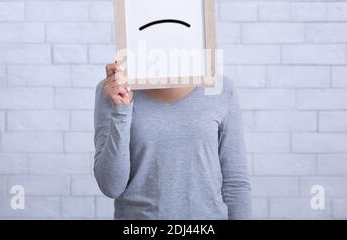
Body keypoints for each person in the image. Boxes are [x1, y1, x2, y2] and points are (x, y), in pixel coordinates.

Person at [93, 62, 251, 220]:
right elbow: (111, 187)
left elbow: (235, 183)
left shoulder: (221, 89)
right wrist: (121, 110)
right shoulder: (114, 90)